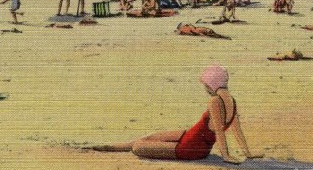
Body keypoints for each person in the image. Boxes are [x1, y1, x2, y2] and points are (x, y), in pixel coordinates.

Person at [93, 65, 260, 163]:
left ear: (211, 85)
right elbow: (237, 131)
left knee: (138, 146)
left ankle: (103, 147)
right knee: (150, 137)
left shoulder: (215, 101)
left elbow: (218, 131)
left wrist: (225, 155)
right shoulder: (232, 100)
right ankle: (106, 146)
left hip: (190, 148)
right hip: (191, 137)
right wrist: (247, 153)